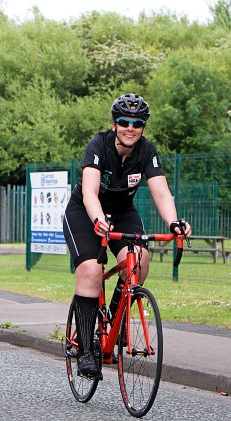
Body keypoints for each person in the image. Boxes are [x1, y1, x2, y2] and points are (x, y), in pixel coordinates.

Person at [62, 93, 191, 377]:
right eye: (123, 122)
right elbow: (89, 192)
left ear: (143, 126)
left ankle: (114, 320)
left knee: (140, 260)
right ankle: (85, 350)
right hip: (85, 212)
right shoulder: (99, 145)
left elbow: (160, 191)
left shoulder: (147, 151)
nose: (130, 128)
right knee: (92, 270)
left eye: (137, 123)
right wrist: (97, 220)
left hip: (122, 212)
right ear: (114, 123)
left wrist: (174, 223)